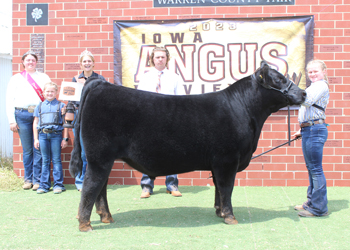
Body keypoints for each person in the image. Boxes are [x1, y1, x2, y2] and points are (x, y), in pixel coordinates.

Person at [137, 46, 185, 198]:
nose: (160, 59)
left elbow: (181, 100)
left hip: (169, 120)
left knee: (172, 152)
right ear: (152, 59)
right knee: (148, 153)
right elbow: (140, 100)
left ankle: (172, 185)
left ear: (167, 59)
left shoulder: (175, 77)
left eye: (163, 57)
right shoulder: (145, 77)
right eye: (157, 57)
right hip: (150, 120)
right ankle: (146, 186)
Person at [6, 51, 51, 190]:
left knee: (38, 148)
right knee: (27, 150)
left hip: (39, 115)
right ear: (23, 62)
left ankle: (37, 180)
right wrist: (11, 120)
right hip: (22, 115)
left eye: (33, 60)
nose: (30, 62)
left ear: (36, 62)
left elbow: (49, 94)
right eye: (28, 60)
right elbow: (9, 100)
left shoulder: (43, 77)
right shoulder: (16, 78)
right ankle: (28, 179)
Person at [293, 59, 330, 217]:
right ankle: (311, 202)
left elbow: (307, 101)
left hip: (315, 130)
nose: (313, 74)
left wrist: (291, 92)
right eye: (310, 72)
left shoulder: (320, 85)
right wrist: (301, 129)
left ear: (323, 72)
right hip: (310, 129)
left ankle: (319, 208)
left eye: (316, 71)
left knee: (315, 170)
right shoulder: (313, 86)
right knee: (312, 169)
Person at [71, 50, 106, 191]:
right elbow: (71, 100)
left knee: (93, 152)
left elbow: (105, 98)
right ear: (81, 64)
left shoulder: (100, 78)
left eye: (89, 61)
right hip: (80, 118)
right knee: (81, 152)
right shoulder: (75, 79)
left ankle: (94, 181)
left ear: (93, 63)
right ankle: (80, 182)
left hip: (95, 118)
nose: (87, 63)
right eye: (84, 61)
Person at [33, 82, 68, 194]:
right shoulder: (39, 106)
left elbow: (65, 123)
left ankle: (58, 185)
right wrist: (36, 139)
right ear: (43, 92)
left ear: (56, 92)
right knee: (45, 160)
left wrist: (65, 138)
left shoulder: (61, 105)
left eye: (52, 91)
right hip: (42, 135)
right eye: (47, 91)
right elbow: (35, 122)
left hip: (56, 135)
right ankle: (44, 185)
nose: (50, 93)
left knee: (56, 160)